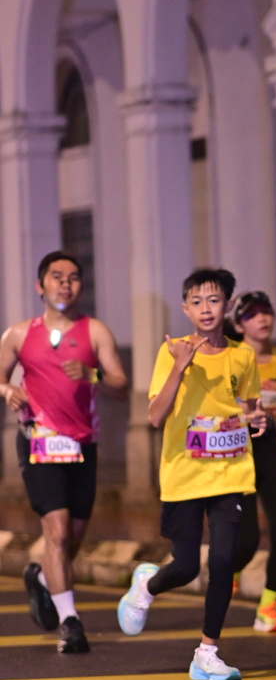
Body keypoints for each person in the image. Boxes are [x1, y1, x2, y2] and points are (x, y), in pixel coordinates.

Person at [117, 268, 266, 680]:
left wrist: (260, 419)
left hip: (231, 472)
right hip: (183, 473)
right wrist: (180, 367)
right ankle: (146, 586)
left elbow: (251, 408)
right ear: (185, 308)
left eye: (213, 300)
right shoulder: (172, 352)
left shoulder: (242, 356)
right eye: (197, 301)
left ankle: (207, 652)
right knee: (185, 567)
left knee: (222, 561)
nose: (205, 308)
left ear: (227, 305)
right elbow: (154, 416)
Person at [0, 250, 128, 653]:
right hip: (39, 440)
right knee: (55, 531)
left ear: (80, 286)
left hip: (82, 443)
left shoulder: (95, 331)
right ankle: (70, 622)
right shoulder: (19, 333)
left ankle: (42, 577)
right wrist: (7, 389)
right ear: (40, 285)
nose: (65, 284)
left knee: (72, 536)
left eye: (73, 277)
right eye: (57, 276)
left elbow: (121, 384)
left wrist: (93, 374)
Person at [230, 290, 276, 632]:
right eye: (251, 314)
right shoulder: (231, 358)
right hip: (237, 450)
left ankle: (268, 606)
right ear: (239, 325)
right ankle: (230, 570)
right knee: (246, 540)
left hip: (270, 448)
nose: (261, 319)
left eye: (266, 312)